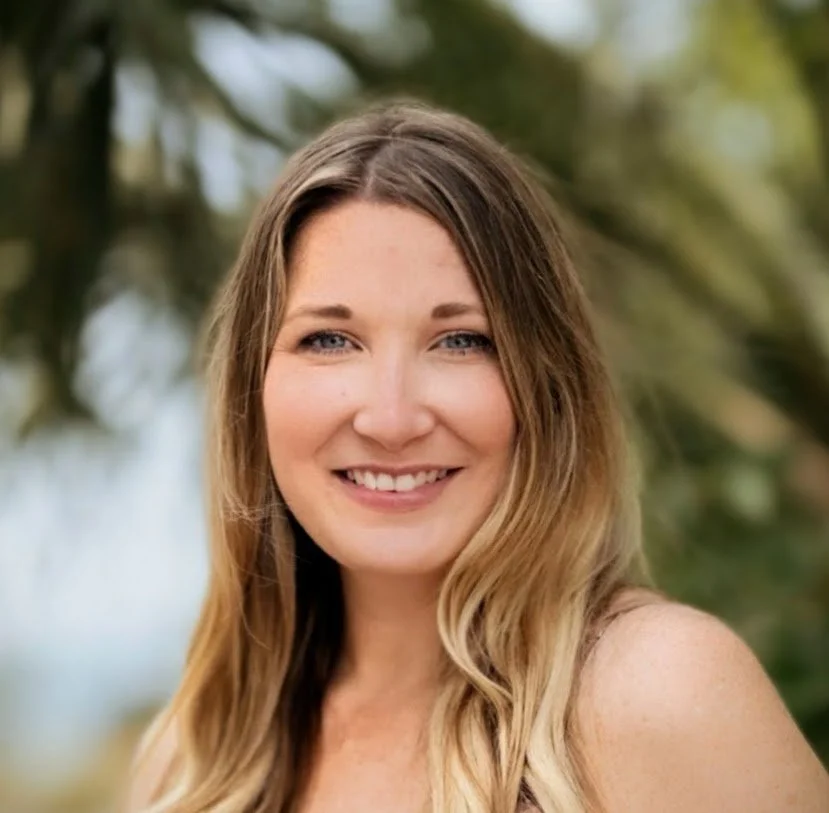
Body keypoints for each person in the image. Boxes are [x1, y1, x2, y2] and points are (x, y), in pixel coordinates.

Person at [125, 100, 829, 813]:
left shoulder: (660, 691)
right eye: (330, 340)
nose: (391, 419)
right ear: (253, 388)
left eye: (461, 341)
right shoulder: (190, 763)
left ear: (546, 386)